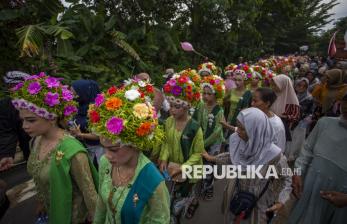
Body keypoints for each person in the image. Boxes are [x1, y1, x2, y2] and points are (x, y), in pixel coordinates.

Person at [11, 73, 98, 224]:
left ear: (51, 117)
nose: (24, 126)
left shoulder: (72, 151)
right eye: (22, 120)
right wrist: (41, 201)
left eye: (31, 120)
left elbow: (90, 194)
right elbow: (39, 178)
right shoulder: (36, 141)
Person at [90, 85, 170, 224]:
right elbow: (101, 206)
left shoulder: (153, 181)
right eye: (104, 148)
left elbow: (159, 220)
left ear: (134, 143)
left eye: (114, 149)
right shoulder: (105, 163)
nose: (107, 155)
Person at [202, 108, 291, 224]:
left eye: (242, 129)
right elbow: (232, 156)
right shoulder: (240, 141)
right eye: (237, 126)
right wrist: (212, 158)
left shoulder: (273, 155)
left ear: (256, 130)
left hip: (258, 202)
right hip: (236, 193)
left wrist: (281, 201)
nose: (237, 131)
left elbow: (287, 177)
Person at [288, 92, 347, 223]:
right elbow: (307, 151)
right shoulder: (325, 123)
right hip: (310, 187)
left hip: (340, 200)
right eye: (345, 101)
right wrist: (297, 173)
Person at [160, 73, 204, 221]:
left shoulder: (194, 127)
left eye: (177, 106)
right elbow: (166, 142)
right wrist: (164, 159)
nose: (172, 110)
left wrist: (184, 167)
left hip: (189, 171)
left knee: (180, 201)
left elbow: (197, 154)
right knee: (171, 196)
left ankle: (189, 204)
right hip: (173, 168)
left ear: (186, 107)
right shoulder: (169, 122)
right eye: (171, 106)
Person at [194, 75, 225, 200]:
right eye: (204, 93)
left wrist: (204, 143)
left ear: (216, 94)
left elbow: (217, 132)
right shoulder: (201, 105)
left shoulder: (219, 110)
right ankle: (201, 186)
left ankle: (209, 188)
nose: (206, 96)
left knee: (209, 166)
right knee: (201, 164)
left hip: (213, 143)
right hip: (202, 140)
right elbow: (197, 122)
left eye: (209, 93)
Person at [0, 71, 31, 171]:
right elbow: (7, 132)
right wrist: (7, 154)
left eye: (17, 85)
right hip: (28, 150)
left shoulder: (42, 100)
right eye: (10, 85)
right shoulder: (6, 105)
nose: (12, 88)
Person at [70, 79, 103, 166]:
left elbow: (98, 136)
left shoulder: (96, 110)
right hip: (86, 148)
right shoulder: (80, 106)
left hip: (98, 153)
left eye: (75, 94)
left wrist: (80, 135)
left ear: (84, 93)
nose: (72, 96)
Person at [251, 87, 286, 152]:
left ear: (267, 103)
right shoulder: (255, 116)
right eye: (252, 100)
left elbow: (279, 150)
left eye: (255, 101)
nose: (252, 104)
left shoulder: (275, 125)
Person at [270, 74, 300, 141]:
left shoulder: (292, 101)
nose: (273, 87)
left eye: (275, 85)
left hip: (281, 130)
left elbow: (296, 117)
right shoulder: (272, 95)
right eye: (272, 85)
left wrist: (284, 117)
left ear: (283, 84)